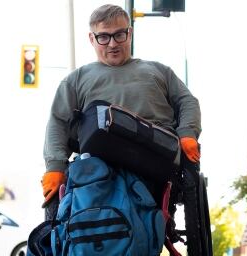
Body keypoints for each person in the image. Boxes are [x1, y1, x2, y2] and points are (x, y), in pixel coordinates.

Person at [41, 4, 201, 207]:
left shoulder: (159, 71)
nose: (112, 44)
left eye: (119, 35)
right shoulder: (76, 80)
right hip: (98, 163)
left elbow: (187, 101)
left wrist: (187, 132)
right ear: (92, 39)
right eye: (104, 37)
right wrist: (55, 165)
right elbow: (58, 121)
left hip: (154, 156)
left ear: (130, 33)